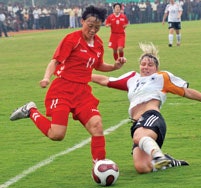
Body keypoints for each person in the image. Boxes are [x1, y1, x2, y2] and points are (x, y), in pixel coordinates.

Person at [10, 6, 126, 164]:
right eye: (90, 25)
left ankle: (100, 166)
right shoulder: (72, 39)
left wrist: (114, 67)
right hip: (63, 89)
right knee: (57, 134)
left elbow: (97, 65)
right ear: (82, 21)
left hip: (83, 92)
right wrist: (46, 77)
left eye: (97, 27)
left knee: (97, 125)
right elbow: (55, 61)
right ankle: (31, 110)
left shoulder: (98, 43)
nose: (93, 30)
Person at [91, 42, 201, 173]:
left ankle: (158, 156)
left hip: (152, 117)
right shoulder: (132, 78)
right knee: (142, 167)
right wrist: (81, 75)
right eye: (143, 64)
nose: (146, 67)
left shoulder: (161, 77)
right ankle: (168, 161)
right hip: (138, 123)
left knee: (138, 136)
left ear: (156, 68)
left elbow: (187, 91)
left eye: (150, 65)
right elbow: (105, 80)